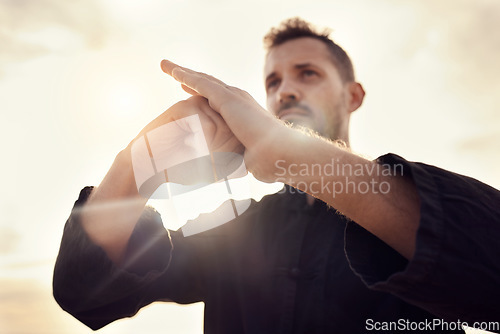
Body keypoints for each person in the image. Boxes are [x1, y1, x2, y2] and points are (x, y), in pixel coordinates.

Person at [53, 18, 500, 333]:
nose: (285, 90)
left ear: (353, 95)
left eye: (307, 74)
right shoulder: (233, 235)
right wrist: (136, 164)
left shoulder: (413, 204)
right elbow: (88, 295)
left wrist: (296, 158)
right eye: (272, 82)